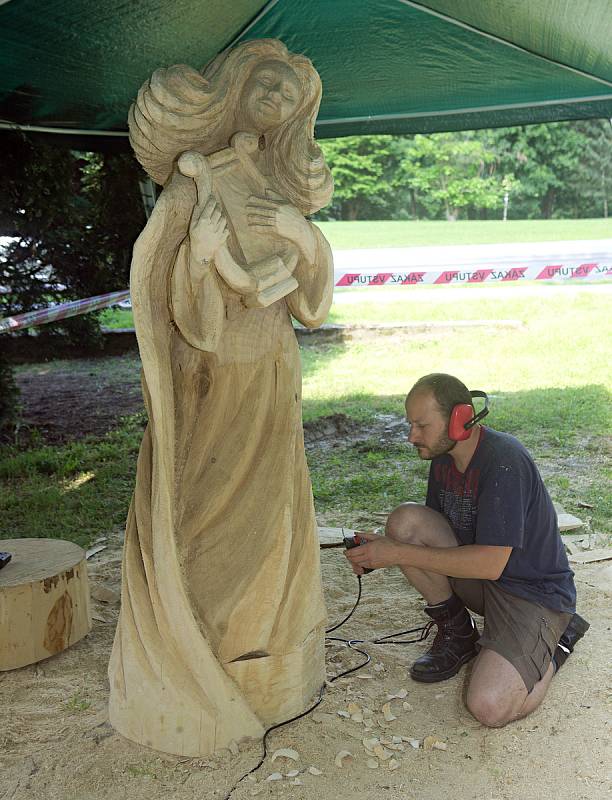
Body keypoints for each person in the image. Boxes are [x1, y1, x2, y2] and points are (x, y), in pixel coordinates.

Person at [109, 40, 334, 753]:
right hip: (212, 386)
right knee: (207, 509)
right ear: (237, 89)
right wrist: (202, 259)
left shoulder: (277, 183)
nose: (276, 104)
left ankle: (268, 653)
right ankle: (207, 645)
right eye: (267, 87)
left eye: (289, 101)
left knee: (274, 507)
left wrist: (302, 234)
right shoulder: (194, 184)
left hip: (271, 364)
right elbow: (185, 320)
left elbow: (313, 307)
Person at [346, 373, 589, 728]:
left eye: (421, 425)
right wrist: (384, 548)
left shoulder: (505, 461)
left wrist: (395, 553)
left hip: (533, 596)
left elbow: (490, 563)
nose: (411, 436)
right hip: (483, 582)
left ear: (460, 420)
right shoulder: (443, 458)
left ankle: (560, 642)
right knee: (405, 523)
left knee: (489, 707)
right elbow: (433, 542)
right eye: (410, 424)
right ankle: (459, 633)